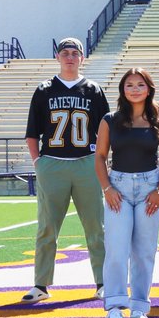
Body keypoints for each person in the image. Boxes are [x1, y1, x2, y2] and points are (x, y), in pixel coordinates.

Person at [21, 37, 110, 303]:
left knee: (96, 226)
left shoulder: (93, 89)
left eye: (75, 53)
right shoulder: (44, 89)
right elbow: (32, 133)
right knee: (47, 226)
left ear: (82, 58)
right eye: (65, 53)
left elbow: (105, 130)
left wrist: (101, 161)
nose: (70, 57)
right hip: (53, 164)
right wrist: (39, 162)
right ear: (58, 57)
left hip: (86, 163)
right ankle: (41, 285)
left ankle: (103, 282)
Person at [95, 68, 159, 318]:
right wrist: (107, 188)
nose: (134, 89)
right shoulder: (110, 120)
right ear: (122, 89)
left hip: (149, 188)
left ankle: (140, 304)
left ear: (148, 88)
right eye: (129, 84)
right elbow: (99, 156)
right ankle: (115, 305)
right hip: (117, 187)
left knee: (144, 251)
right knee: (116, 250)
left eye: (140, 84)